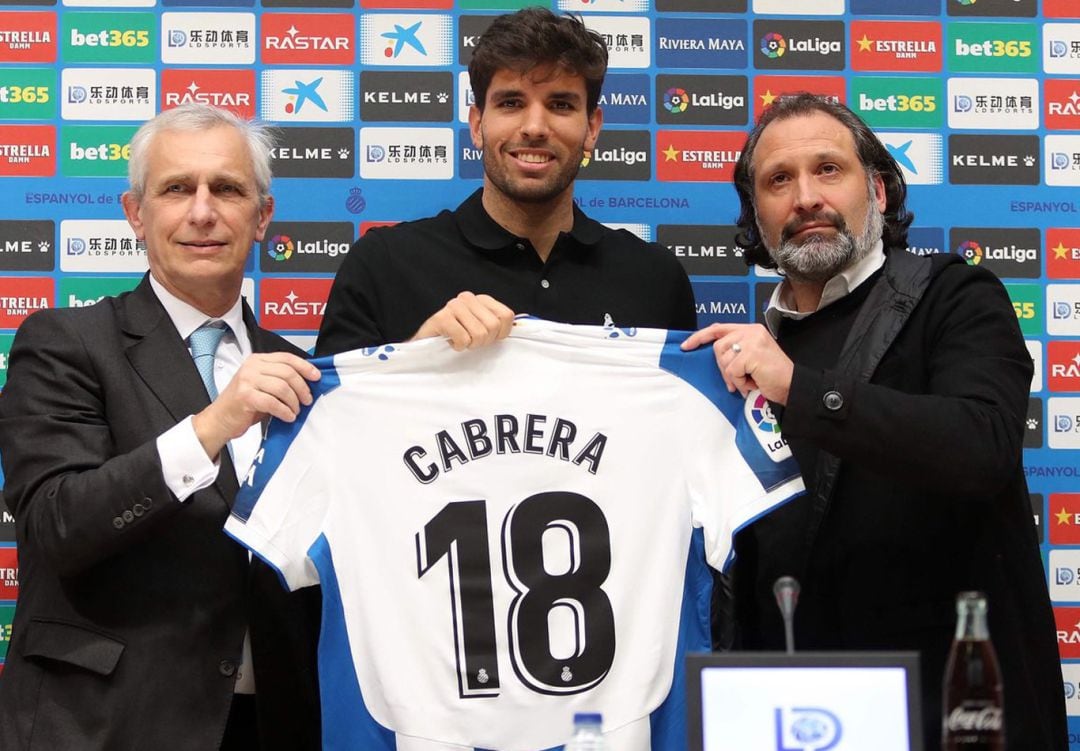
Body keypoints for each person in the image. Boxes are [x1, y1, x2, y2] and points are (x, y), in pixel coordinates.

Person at [682, 93, 1066, 749]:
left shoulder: (955, 296)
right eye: (778, 180)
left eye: (828, 169)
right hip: (789, 715)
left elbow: (982, 447)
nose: (805, 197)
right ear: (756, 216)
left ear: (880, 192)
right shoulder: (737, 362)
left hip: (946, 716)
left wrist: (799, 389)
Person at [0, 104, 322, 751]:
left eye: (227, 189)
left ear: (262, 217)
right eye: (178, 188)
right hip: (103, 725)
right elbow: (59, 524)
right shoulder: (65, 343)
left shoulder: (303, 375)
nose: (202, 212)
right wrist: (210, 426)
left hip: (269, 725)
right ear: (135, 215)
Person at [315, 6, 695, 358]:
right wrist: (421, 353)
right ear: (478, 124)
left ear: (592, 128)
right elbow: (336, 421)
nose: (534, 128)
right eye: (511, 103)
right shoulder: (384, 265)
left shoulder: (656, 278)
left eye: (560, 105)